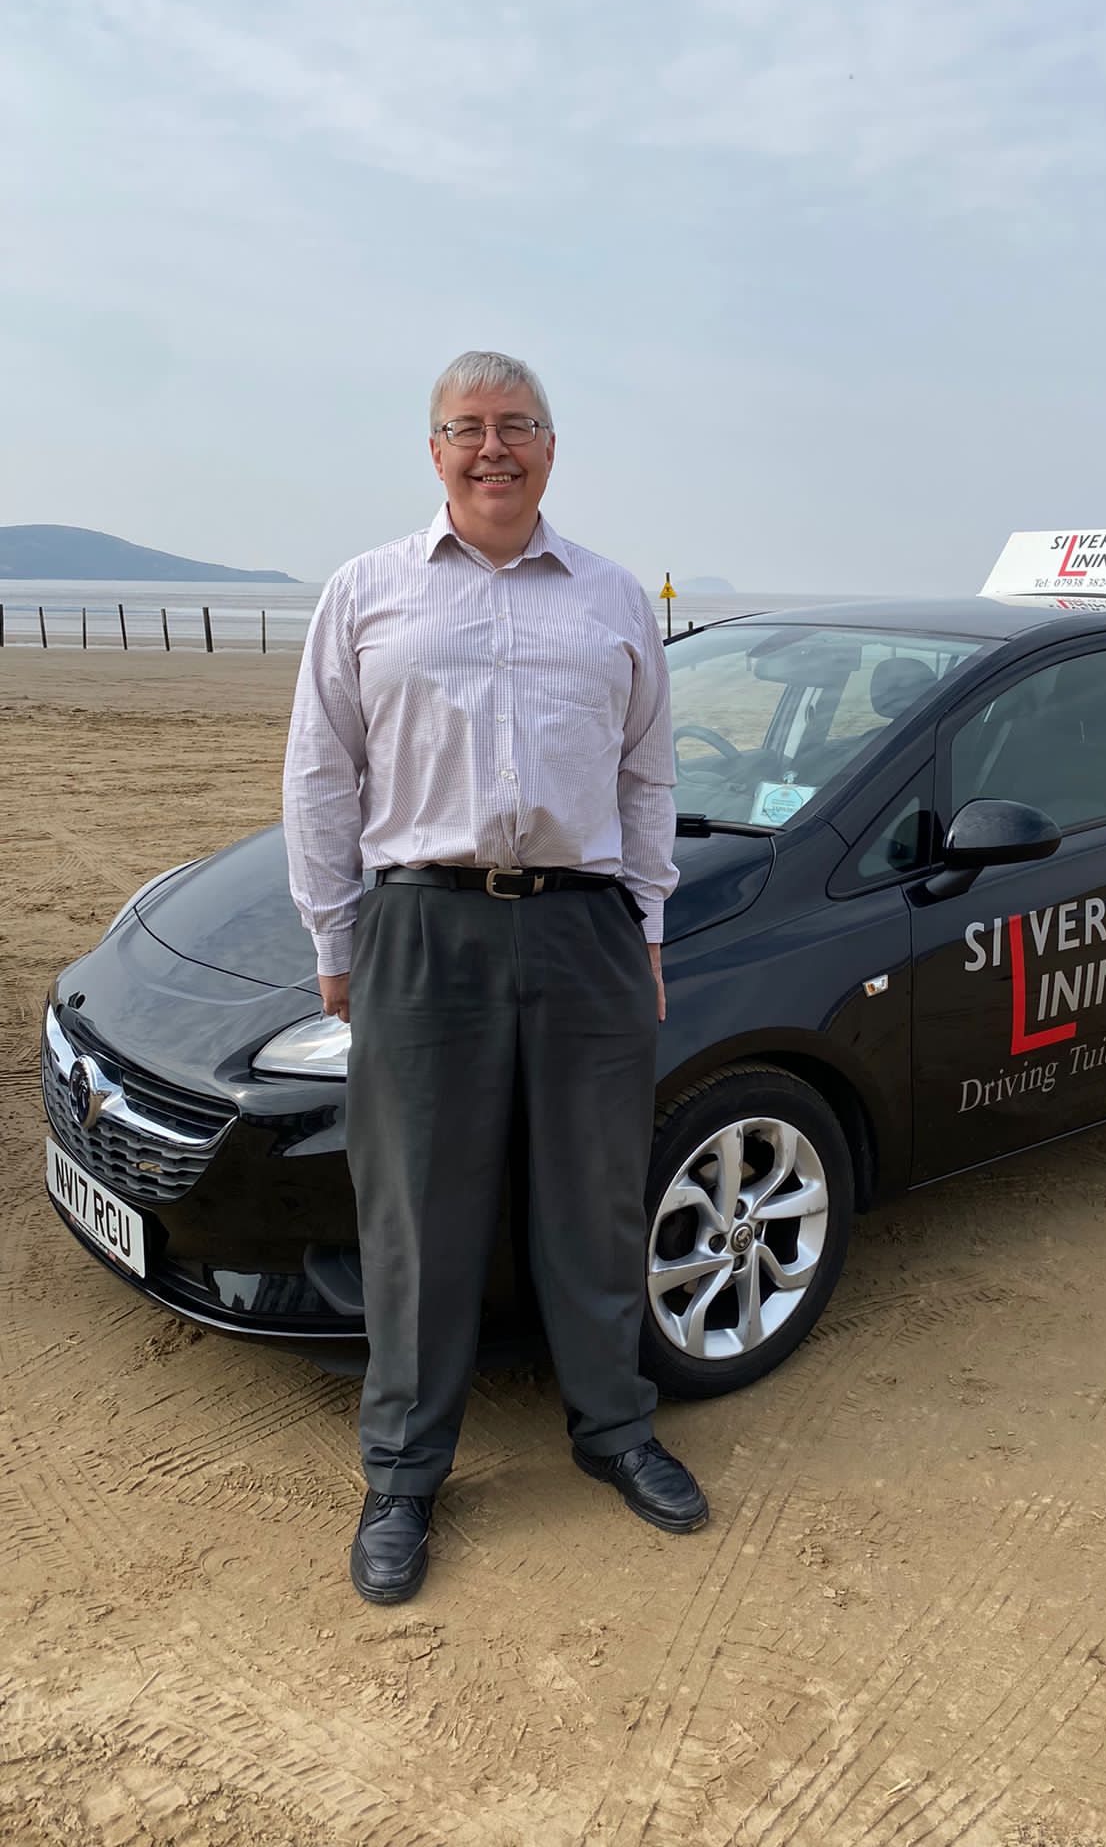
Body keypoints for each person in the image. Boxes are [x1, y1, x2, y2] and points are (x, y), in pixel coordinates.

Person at [282, 349, 708, 1606]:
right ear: (435, 451)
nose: (492, 447)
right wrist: (335, 941)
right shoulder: (367, 592)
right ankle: (404, 1475)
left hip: (585, 928)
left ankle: (615, 1428)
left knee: (596, 1196)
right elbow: (321, 774)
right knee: (418, 1215)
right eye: (466, 427)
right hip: (423, 927)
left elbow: (646, 777)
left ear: (550, 446)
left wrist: (647, 926)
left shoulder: (614, 597)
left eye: (516, 424)